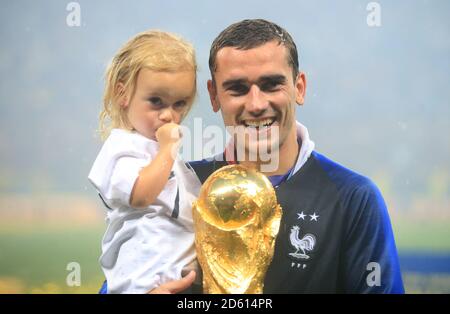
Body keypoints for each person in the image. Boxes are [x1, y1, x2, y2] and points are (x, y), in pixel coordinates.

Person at [169, 18, 405, 293]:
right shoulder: (180, 187)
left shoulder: (353, 197)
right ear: (213, 95)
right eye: (238, 88)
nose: (256, 104)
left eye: (271, 85)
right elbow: (120, 281)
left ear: (299, 87)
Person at [88, 30, 201, 294]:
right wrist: (168, 149)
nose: (168, 115)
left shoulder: (157, 150)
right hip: (140, 281)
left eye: (179, 104)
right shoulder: (122, 147)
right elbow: (140, 196)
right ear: (123, 94)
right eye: (156, 101)